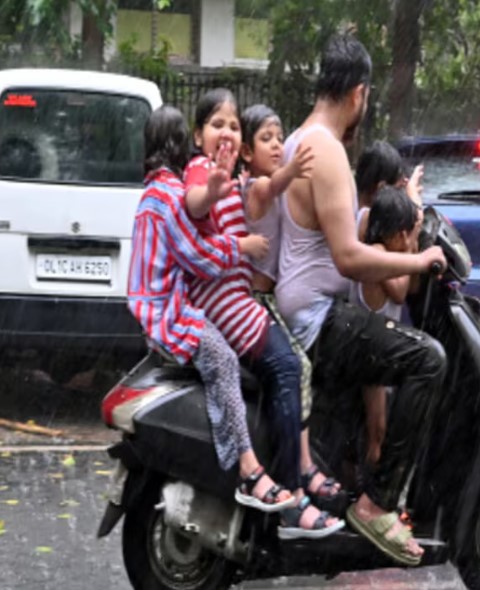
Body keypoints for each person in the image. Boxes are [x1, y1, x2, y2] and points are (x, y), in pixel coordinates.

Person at [274, 34, 447, 566]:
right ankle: (377, 504)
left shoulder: (301, 139)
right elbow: (349, 256)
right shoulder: (324, 151)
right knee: (427, 359)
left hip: (310, 311)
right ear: (359, 93)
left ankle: (345, 482)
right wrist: (418, 262)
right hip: (316, 318)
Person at [182, 90, 343, 539]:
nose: (227, 133)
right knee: (287, 367)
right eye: (217, 125)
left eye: (232, 126)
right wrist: (214, 186)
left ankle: (296, 480)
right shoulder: (203, 172)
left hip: (236, 298)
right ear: (199, 136)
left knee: (291, 366)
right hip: (224, 301)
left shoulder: (234, 181)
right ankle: (292, 497)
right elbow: (195, 201)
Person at [127, 105, 296, 515]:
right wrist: (239, 248)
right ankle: (249, 467)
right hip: (166, 312)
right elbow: (196, 256)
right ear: (181, 142)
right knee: (221, 358)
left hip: (165, 305)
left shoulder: (156, 192)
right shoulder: (168, 196)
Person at [237, 102, 346, 516]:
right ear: (246, 152)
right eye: (267, 139)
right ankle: (299, 470)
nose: (278, 145)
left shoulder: (273, 189)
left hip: (273, 299)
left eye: (280, 137)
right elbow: (271, 188)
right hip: (257, 302)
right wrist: (294, 166)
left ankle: (303, 464)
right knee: (295, 368)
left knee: (302, 370)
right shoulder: (257, 190)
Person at [351, 186, 423, 465]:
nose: (406, 239)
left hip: (382, 348)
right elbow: (400, 291)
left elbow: (414, 284)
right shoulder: (377, 252)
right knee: (377, 432)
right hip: (371, 355)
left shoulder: (388, 250)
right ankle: (369, 486)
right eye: (404, 233)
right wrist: (412, 248)